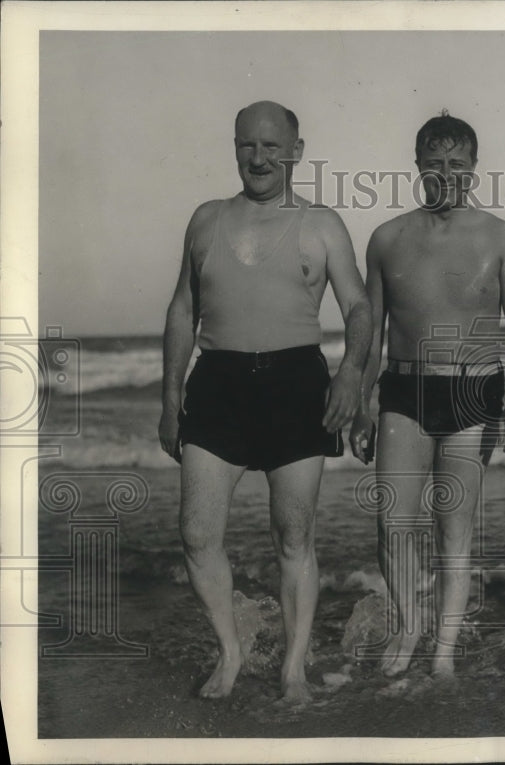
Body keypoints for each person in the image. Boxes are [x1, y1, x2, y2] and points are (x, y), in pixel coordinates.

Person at [158, 101, 372, 701]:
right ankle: (230, 655)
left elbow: (358, 306)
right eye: (248, 145)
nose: (259, 157)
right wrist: (171, 394)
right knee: (197, 535)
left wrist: (351, 373)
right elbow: (182, 309)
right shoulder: (204, 221)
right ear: (234, 148)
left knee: (293, 536)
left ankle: (293, 668)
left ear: (296, 152)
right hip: (217, 383)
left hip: (297, 385)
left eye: (273, 146)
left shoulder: (322, 224)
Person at [349, 112, 505, 678]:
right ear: (417, 165)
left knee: (454, 530)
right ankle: (407, 628)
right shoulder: (387, 239)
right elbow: (372, 332)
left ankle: (445, 651)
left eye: (457, 164)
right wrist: (360, 405)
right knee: (393, 523)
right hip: (402, 389)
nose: (446, 174)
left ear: (474, 168)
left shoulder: (500, 236)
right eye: (434, 164)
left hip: (472, 391)